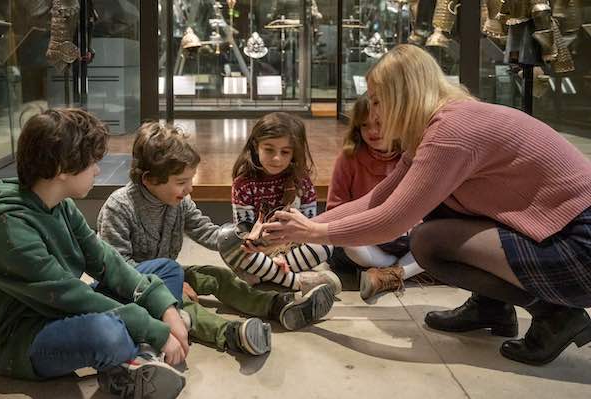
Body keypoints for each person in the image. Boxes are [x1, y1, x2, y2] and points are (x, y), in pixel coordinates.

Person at [260, 44, 591, 366]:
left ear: (401, 96)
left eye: (377, 101)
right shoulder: (436, 126)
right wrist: (299, 229)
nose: (372, 113)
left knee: (428, 243)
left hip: (580, 244)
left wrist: (314, 231)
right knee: (438, 216)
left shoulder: (449, 132)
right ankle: (491, 307)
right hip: (563, 232)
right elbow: (377, 198)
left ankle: (555, 315)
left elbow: (392, 218)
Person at [0, 109, 187, 399]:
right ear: (62, 168)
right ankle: (137, 357)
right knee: (106, 332)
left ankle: (138, 357)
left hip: (61, 310)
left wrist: (164, 309)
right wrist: (154, 328)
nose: (98, 169)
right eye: (93, 162)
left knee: (166, 270)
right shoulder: (8, 227)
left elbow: (107, 261)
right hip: (23, 337)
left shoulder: (60, 204)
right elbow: (72, 295)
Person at [96, 122, 335, 355]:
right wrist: (165, 287)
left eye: (190, 179)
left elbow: (208, 232)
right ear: (149, 179)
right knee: (180, 301)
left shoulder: (179, 201)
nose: (190, 188)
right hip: (134, 287)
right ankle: (231, 334)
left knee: (218, 275)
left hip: (167, 273)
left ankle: (278, 305)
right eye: (181, 182)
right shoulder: (119, 207)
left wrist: (244, 240)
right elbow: (118, 270)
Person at [223, 112, 341, 294]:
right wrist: (262, 246)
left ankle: (264, 274)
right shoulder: (243, 183)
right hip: (258, 250)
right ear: (256, 146)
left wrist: (281, 252)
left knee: (325, 245)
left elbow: (311, 226)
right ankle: (297, 282)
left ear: (294, 152)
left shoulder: (302, 182)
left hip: (291, 247)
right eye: (269, 149)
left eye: (285, 152)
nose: (277, 158)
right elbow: (243, 229)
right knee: (226, 241)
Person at [327, 95, 424, 300]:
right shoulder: (348, 159)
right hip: (367, 238)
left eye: (379, 124)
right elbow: (334, 208)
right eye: (364, 125)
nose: (372, 131)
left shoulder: (415, 155)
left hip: (407, 238)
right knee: (349, 245)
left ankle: (387, 274)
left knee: (435, 241)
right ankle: (396, 272)